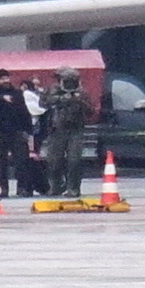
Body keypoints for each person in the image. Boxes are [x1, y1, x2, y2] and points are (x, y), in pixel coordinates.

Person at [41, 66, 94, 197]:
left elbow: (91, 111)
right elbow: (43, 103)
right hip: (57, 130)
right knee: (54, 161)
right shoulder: (54, 90)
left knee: (74, 160)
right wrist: (60, 99)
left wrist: (79, 100)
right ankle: (55, 186)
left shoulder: (82, 93)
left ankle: (73, 188)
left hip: (76, 130)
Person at [0, 69, 32, 198]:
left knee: (21, 161)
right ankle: (4, 188)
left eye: (7, 78)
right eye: (2, 79)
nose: (6, 81)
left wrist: (28, 130)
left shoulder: (17, 94)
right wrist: (2, 98)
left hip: (16, 132)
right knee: (1, 162)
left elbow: (24, 112)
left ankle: (22, 188)